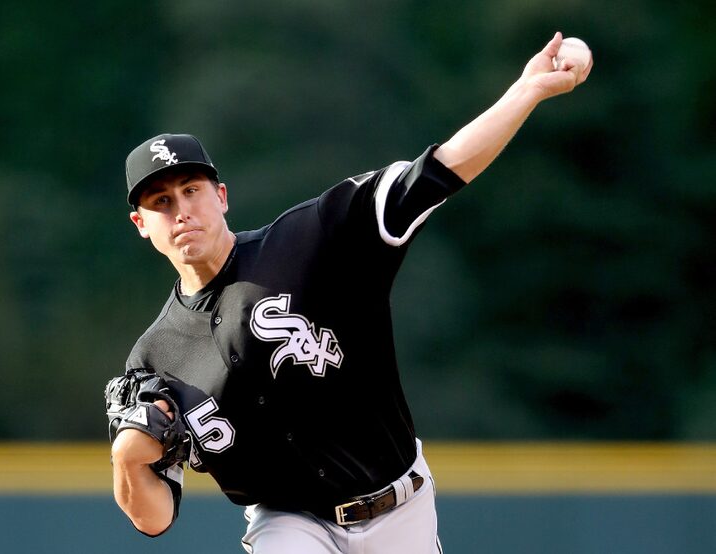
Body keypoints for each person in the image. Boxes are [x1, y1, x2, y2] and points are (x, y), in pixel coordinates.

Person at [109, 32, 592, 553]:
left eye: (192, 189)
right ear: (140, 222)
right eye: (161, 200)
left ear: (221, 196)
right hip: (287, 522)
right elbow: (154, 519)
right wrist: (126, 461)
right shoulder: (156, 358)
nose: (181, 209)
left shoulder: (312, 239)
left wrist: (525, 91)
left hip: (399, 504)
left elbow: (438, 171)